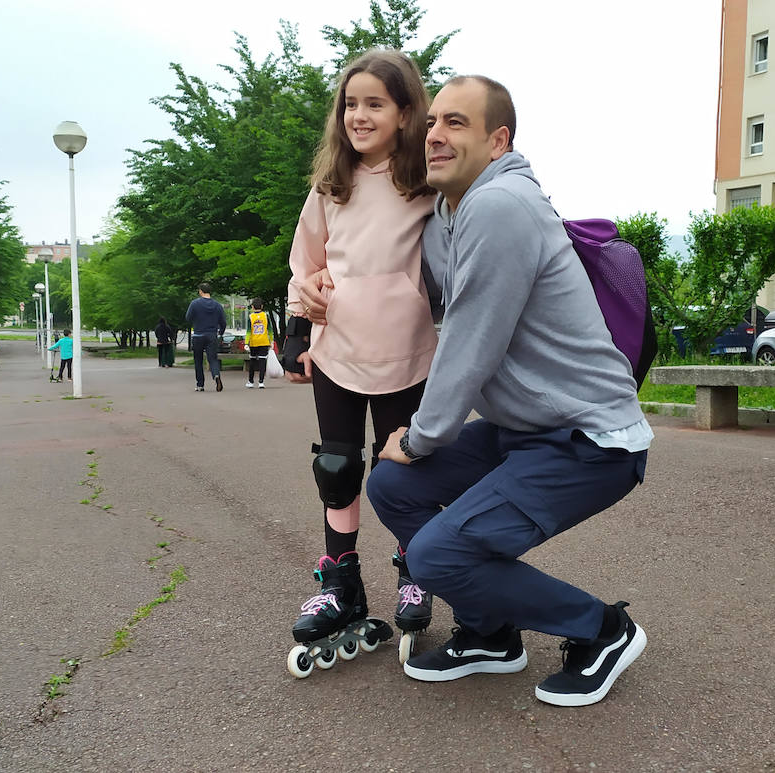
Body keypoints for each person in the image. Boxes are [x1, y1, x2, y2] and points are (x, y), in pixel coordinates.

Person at [362, 75, 653, 707]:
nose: (436, 135)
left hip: (588, 440)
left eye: (456, 123)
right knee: (392, 487)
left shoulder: (503, 205)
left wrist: (420, 437)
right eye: (433, 122)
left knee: (438, 555)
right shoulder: (448, 213)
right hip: (521, 432)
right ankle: (493, 633)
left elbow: (471, 338)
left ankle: (602, 629)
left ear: (499, 142)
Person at [281, 50, 439, 657]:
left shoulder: (426, 182)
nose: (359, 116)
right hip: (337, 349)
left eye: (375, 104)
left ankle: (414, 571)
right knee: (337, 467)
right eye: (351, 104)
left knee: (403, 466)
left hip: (408, 349)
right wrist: (300, 321)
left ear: (405, 113)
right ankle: (341, 583)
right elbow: (307, 261)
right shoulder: (331, 186)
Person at [185, 283, 226, 392]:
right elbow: (223, 322)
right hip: (212, 335)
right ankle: (216, 376)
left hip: (198, 335)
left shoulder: (194, 304)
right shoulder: (217, 305)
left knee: (198, 360)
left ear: (200, 291)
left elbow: (188, 317)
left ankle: (200, 385)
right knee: (212, 359)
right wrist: (220, 332)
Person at [244, 299, 272, 389]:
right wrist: (271, 341)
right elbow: (270, 330)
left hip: (253, 342)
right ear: (262, 306)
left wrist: (246, 343)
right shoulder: (266, 316)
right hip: (264, 342)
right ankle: (261, 382)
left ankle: (251, 381)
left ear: (252, 307)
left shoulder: (251, 317)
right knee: (262, 361)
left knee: (252, 361)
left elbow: (248, 331)